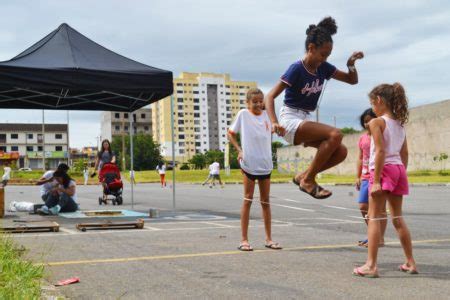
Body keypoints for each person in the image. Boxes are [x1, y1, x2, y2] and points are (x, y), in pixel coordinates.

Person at [265, 16, 364, 199]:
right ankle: (309, 180)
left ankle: (304, 176)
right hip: (290, 119)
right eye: (322, 54)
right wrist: (274, 123)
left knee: (340, 151)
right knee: (336, 134)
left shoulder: (323, 68)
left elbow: (352, 80)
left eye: (327, 56)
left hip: (305, 120)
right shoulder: (296, 69)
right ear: (311, 48)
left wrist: (350, 64)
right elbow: (269, 96)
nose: (324, 59)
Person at [353, 83, 417, 278]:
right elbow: (404, 153)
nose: (372, 107)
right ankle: (410, 262)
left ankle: (371, 265)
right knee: (397, 217)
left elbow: (380, 151)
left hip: (382, 169)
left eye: (372, 103)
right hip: (398, 168)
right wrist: (400, 173)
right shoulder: (399, 123)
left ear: (379, 101)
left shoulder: (376, 122)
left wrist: (377, 181)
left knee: (374, 217)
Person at [228, 88, 282, 251]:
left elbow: (276, 128)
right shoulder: (243, 114)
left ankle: (269, 239)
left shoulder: (268, 115)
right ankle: (244, 240)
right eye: (255, 101)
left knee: (265, 202)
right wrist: (239, 150)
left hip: (265, 164)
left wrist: (279, 127)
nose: (259, 104)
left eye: (261, 101)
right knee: (248, 199)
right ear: (248, 102)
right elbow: (230, 134)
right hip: (249, 163)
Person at [355, 109, 387, 248]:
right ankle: (374, 235)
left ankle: (379, 238)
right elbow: (360, 158)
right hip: (365, 177)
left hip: (380, 174)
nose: (367, 123)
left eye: (369, 120)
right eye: (365, 121)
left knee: (380, 209)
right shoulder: (362, 138)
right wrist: (358, 176)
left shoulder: (381, 136)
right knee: (363, 206)